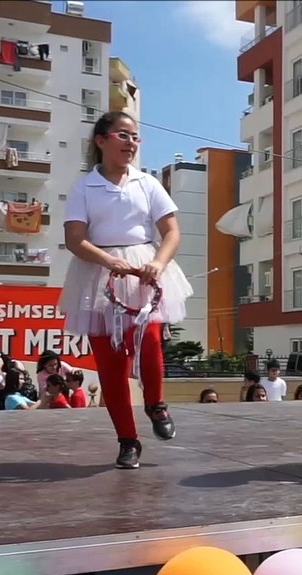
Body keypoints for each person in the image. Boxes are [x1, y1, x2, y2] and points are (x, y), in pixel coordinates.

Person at [61, 110, 193, 469]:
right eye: (123, 135)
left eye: (135, 137)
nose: (131, 143)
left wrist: (159, 264)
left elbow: (172, 232)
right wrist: (108, 261)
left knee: (150, 342)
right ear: (101, 141)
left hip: (143, 270)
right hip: (97, 274)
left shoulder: (148, 183)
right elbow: (74, 239)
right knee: (110, 364)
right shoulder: (84, 187)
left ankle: (156, 404)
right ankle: (127, 439)